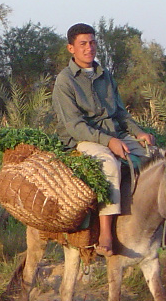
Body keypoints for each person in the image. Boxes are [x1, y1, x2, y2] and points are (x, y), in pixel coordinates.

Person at [53, 22, 156, 257]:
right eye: (83, 44)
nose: (89, 48)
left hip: (114, 133)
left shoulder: (105, 75)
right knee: (108, 163)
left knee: (155, 156)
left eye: (92, 42)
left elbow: (120, 113)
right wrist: (108, 142)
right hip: (82, 140)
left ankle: (160, 226)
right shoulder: (65, 81)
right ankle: (106, 233)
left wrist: (138, 133)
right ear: (71, 49)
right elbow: (75, 126)